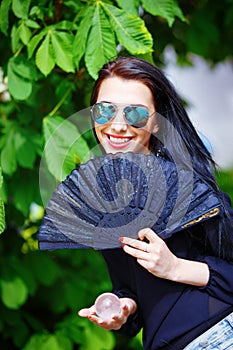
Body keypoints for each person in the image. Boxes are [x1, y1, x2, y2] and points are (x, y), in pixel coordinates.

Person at [78, 57, 233, 349]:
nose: (117, 125)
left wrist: (175, 267)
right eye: (105, 110)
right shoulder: (105, 201)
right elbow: (134, 289)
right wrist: (124, 309)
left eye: (135, 113)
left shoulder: (185, 185)